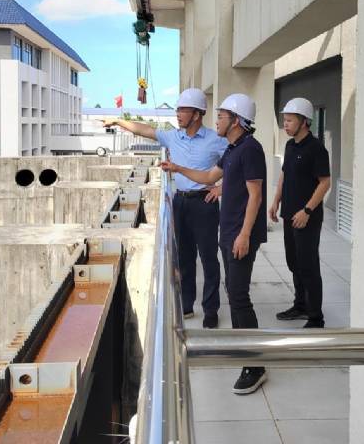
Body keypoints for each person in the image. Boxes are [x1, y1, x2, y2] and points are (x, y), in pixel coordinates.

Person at [161, 93, 268, 395]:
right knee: (234, 293)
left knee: (239, 296)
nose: (216, 120)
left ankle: (255, 365)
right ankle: (242, 348)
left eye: (221, 116)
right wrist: (178, 169)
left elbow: (256, 195)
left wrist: (244, 235)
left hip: (240, 234)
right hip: (229, 230)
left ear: (236, 121)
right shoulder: (233, 149)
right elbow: (209, 176)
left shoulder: (250, 149)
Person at [103, 88, 227, 328]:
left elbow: (236, 163)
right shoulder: (173, 137)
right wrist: (118, 121)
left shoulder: (216, 140)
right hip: (180, 202)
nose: (178, 114)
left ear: (197, 114)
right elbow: (144, 130)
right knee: (185, 257)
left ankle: (211, 310)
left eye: (183, 110)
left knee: (209, 258)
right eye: (177, 110)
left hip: (205, 203)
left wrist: (221, 188)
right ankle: (187, 304)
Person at [269, 98, 331, 328]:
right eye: (284, 120)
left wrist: (307, 210)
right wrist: (276, 200)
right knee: (294, 262)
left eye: (289, 120)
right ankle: (301, 305)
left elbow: (325, 182)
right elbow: (285, 174)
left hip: (307, 218)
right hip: (289, 214)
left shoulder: (316, 149)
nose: (285, 124)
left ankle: (316, 317)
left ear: (304, 121)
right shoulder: (290, 146)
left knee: (308, 266)